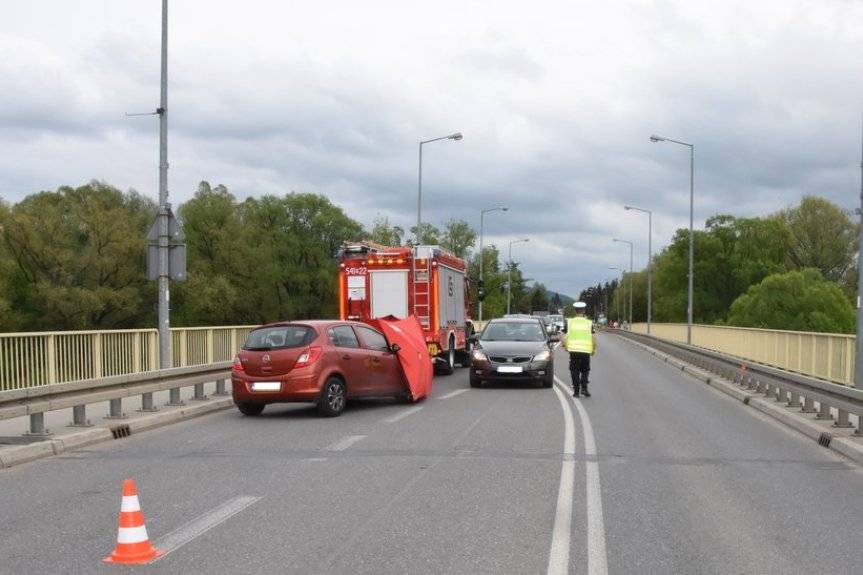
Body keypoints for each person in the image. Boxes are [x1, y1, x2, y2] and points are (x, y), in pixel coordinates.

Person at [561, 301, 596, 397]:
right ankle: (584, 389)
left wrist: (564, 345)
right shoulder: (589, 323)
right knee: (585, 370)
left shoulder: (569, 322)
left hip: (573, 351)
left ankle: (576, 392)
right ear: (584, 311)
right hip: (585, 351)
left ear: (575, 310)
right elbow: (593, 337)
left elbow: (561, 335)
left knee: (574, 370)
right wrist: (594, 349)